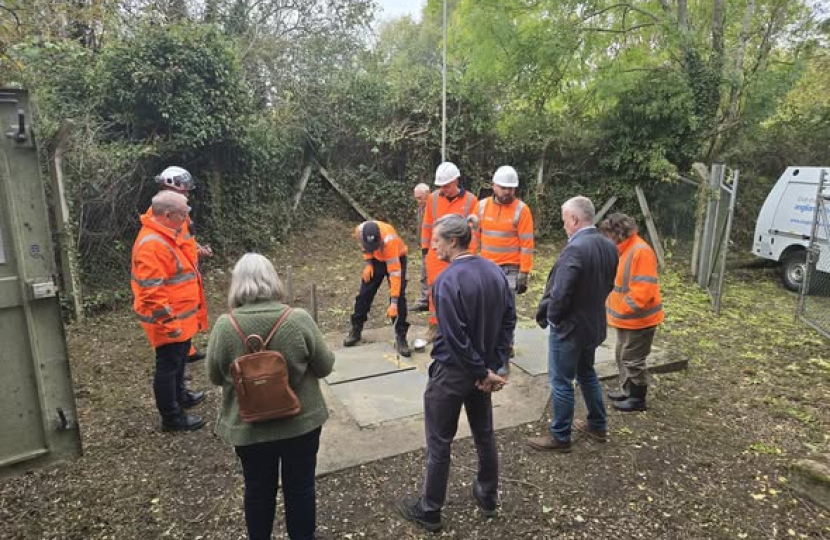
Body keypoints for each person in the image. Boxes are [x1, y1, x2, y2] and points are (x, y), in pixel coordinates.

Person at [396, 214, 515, 533]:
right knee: (484, 434)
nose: (431, 245)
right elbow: (508, 320)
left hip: (452, 373)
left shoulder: (446, 281)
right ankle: (488, 496)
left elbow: (454, 336)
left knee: (439, 441)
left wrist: (482, 369)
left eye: (436, 240)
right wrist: (495, 365)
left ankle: (430, 509)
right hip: (483, 373)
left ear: (452, 241)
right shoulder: (495, 272)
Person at [207, 253, 335, 540]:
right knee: (300, 488)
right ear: (272, 279)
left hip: (249, 428)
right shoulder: (297, 319)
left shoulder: (225, 326)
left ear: (237, 284)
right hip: (300, 423)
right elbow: (325, 366)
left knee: (256, 490)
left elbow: (215, 377)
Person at [527, 196, 618, 452]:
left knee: (561, 381)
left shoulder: (576, 249)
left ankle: (560, 436)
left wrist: (553, 318)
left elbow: (560, 292)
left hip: (570, 328)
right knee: (587, 373)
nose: (564, 225)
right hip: (594, 324)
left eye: (565, 219)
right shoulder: (608, 246)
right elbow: (609, 284)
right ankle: (598, 425)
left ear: (575, 219)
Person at [131, 190, 207, 432]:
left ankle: (181, 397)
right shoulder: (151, 245)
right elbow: (151, 292)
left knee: (179, 360)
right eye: (183, 214)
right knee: (168, 366)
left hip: (181, 317)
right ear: (167, 214)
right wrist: (170, 324)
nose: (186, 219)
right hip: (168, 320)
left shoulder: (167, 233)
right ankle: (172, 418)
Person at [599, 213, 664, 412]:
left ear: (619, 233)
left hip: (639, 319)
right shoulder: (623, 250)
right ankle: (627, 389)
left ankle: (637, 398)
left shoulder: (640, 251)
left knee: (633, 358)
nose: (606, 238)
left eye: (609, 234)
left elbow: (643, 290)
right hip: (626, 318)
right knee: (621, 354)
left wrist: (622, 308)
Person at [152, 166, 212, 364]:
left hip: (187, 271)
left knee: (187, 315)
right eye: (184, 190)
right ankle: (182, 356)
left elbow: (185, 241)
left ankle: (188, 349)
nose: (187, 193)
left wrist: (198, 250)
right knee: (176, 319)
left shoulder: (181, 212)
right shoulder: (162, 215)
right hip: (173, 278)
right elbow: (169, 245)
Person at [420, 162, 478, 340]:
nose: (444, 189)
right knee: (434, 291)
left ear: (456, 180)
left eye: (447, 185)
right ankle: (434, 326)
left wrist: (468, 254)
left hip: (458, 255)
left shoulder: (471, 201)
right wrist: (425, 248)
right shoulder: (433, 199)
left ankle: (457, 327)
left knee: (458, 292)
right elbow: (427, 224)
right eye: (441, 186)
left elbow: (474, 231)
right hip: (436, 254)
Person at [343, 220, 412, 357]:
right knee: (364, 294)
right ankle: (356, 329)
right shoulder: (359, 231)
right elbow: (364, 247)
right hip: (376, 260)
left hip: (396, 259)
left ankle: (400, 335)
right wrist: (369, 263)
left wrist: (393, 303)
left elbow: (395, 275)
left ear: (379, 239)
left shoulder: (389, 240)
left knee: (399, 299)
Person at [412, 183, 431, 311]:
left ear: (428, 194)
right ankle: (425, 300)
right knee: (424, 274)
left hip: (434, 246)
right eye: (416, 198)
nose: (418, 201)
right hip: (424, 245)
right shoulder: (420, 208)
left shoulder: (434, 207)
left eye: (420, 198)